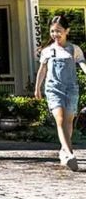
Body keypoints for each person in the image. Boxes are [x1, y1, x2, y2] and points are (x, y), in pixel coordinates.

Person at [34, 15, 85, 172]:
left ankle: (64, 150)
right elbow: (42, 70)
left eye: (59, 31)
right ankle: (70, 154)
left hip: (71, 89)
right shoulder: (48, 51)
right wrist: (37, 88)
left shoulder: (74, 49)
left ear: (67, 31)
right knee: (61, 119)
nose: (55, 34)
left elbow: (82, 63)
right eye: (52, 31)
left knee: (69, 122)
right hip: (54, 88)